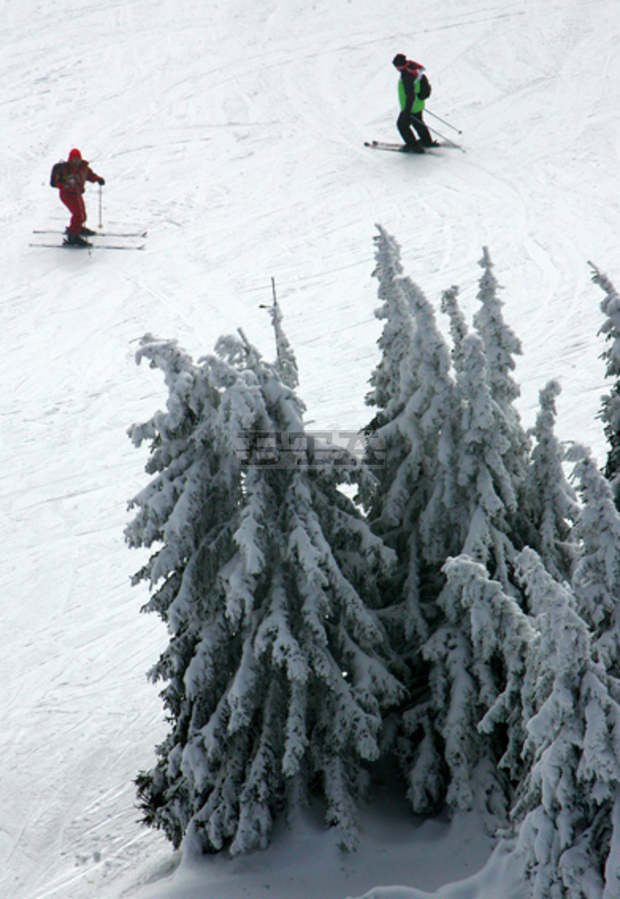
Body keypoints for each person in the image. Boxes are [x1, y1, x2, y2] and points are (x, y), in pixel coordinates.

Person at [51, 148, 105, 246]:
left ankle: (77, 228)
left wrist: (98, 179)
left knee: (82, 215)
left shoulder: (83, 168)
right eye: (73, 159)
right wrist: (67, 186)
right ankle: (73, 236)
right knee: (78, 214)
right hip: (67, 194)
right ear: (70, 159)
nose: (76, 162)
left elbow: (90, 175)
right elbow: (57, 182)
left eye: (77, 159)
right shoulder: (65, 169)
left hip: (77, 193)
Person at [392, 53, 436, 153]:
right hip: (418, 104)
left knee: (402, 125)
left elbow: (410, 95)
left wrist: (407, 111)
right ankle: (427, 141)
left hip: (410, 106)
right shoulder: (413, 68)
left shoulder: (407, 76)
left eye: (396, 66)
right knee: (418, 123)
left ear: (399, 66)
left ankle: (413, 145)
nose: (396, 69)